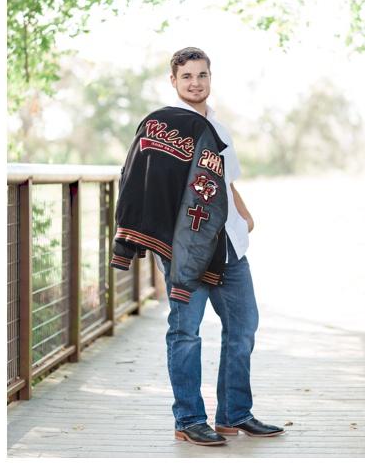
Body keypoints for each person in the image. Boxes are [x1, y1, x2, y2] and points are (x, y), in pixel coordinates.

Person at [112, 47, 284, 446]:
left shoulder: (220, 129)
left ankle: (234, 414)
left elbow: (226, 183)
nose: (195, 83)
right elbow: (140, 181)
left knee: (243, 328)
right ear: (173, 81)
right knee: (186, 331)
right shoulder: (160, 126)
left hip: (228, 246)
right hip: (183, 248)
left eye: (202, 75)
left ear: (210, 78)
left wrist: (244, 216)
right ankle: (189, 419)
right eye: (187, 76)